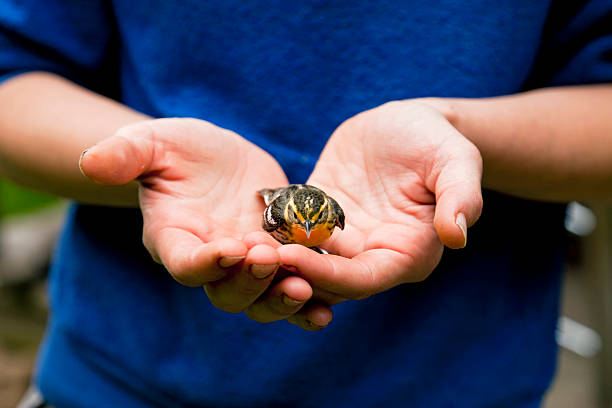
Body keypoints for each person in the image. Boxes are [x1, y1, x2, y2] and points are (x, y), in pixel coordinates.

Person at [1, 1, 611, 407]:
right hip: (118, 380)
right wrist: (150, 161)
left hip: (465, 381)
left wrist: (459, 132)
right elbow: (14, 74)